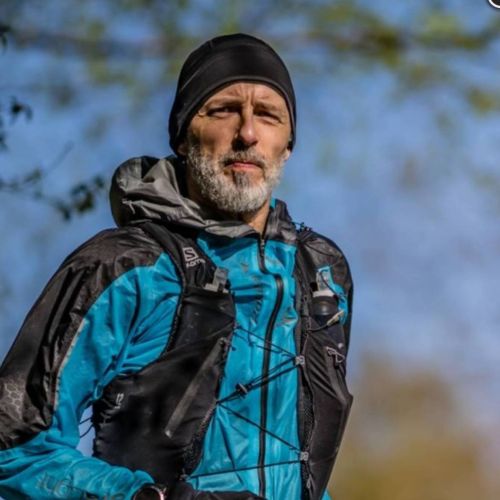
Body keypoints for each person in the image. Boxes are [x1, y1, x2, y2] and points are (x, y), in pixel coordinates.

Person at [0, 34, 353, 500]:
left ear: (287, 145)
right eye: (224, 110)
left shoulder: (321, 272)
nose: (247, 133)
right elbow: (16, 449)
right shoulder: (122, 266)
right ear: (183, 137)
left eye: (268, 115)